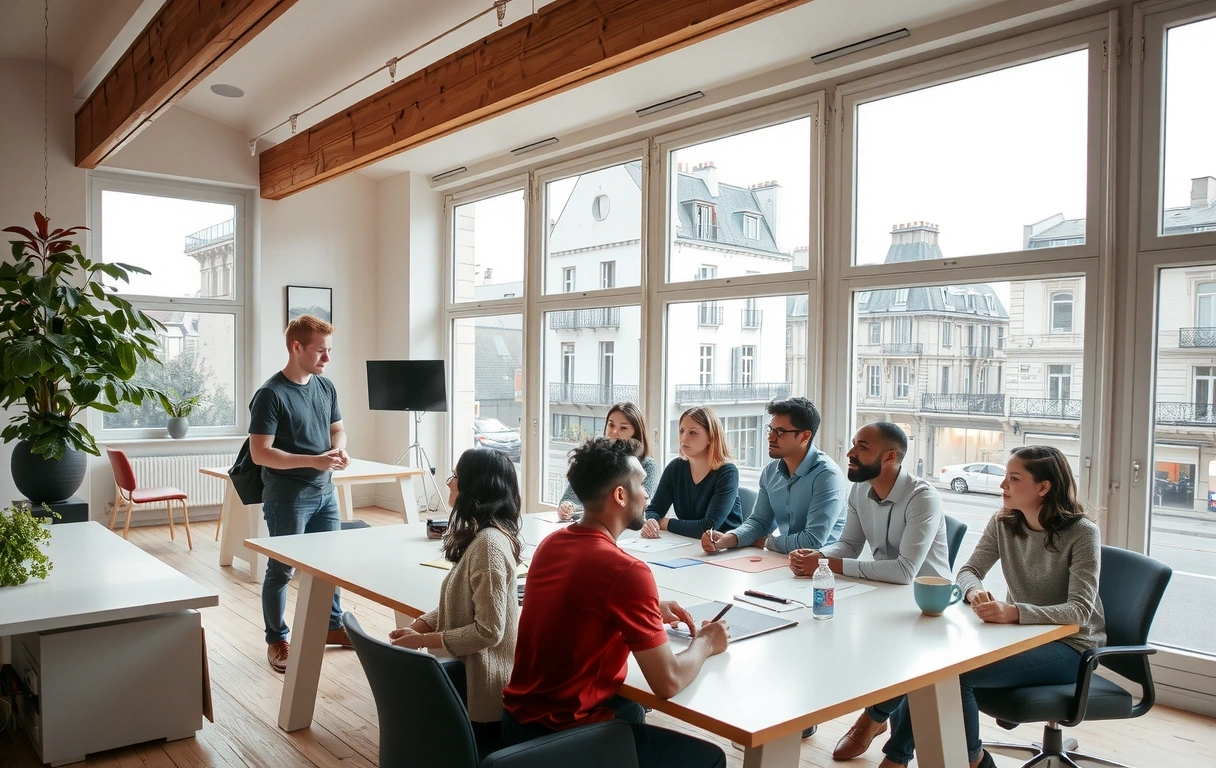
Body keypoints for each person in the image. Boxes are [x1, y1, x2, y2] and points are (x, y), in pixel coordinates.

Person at [502, 437, 730, 768]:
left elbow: (582, 607)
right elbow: (667, 682)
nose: (647, 493)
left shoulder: (551, 544)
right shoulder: (627, 571)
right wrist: (706, 643)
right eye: (641, 483)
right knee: (710, 758)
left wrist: (647, 608)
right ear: (620, 495)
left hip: (518, 723)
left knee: (631, 709)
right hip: (564, 739)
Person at [873, 446, 1106, 768]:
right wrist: (975, 592)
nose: (1002, 486)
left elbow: (1080, 610)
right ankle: (928, 757)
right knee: (928, 666)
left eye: (1013, 478)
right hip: (1018, 636)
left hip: (1071, 647)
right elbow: (968, 572)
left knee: (956, 677)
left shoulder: (1082, 533)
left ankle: (960, 760)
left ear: (1043, 487)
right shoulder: (1004, 523)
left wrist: (1015, 612)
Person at [786, 422, 950, 762]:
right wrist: (820, 558)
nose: (850, 453)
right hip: (881, 594)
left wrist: (832, 566)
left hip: (929, 606)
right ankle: (807, 712)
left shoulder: (923, 497)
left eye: (861, 447)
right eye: (853, 445)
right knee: (813, 625)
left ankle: (882, 731)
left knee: (913, 662)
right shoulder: (861, 490)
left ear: (889, 457)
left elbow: (906, 571)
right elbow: (849, 544)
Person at [389, 448, 522, 743]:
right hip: (466, 682)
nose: (449, 482)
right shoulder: (481, 536)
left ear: (475, 487)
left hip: (482, 698)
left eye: (456, 476)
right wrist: (419, 626)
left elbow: (488, 632)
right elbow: (460, 602)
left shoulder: (489, 546)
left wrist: (423, 641)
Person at [250, 314, 352, 674]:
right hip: (287, 497)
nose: (327, 359)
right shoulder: (270, 394)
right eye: (321, 351)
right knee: (282, 570)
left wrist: (338, 450)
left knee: (329, 565)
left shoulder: (326, 387)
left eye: (329, 351)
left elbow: (337, 429)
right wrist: (315, 460)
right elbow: (260, 453)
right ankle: (276, 639)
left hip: (325, 492)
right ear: (297, 348)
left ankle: (333, 625)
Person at [701, 397, 846, 555]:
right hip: (785, 559)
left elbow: (812, 541)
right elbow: (760, 523)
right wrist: (728, 539)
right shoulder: (770, 472)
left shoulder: (827, 476)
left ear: (805, 436)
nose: (770, 438)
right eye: (770, 430)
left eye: (780, 432)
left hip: (825, 566)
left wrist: (765, 542)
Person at [641, 406, 742, 540]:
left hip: (724, 549)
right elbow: (654, 509)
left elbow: (709, 527)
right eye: (682, 431)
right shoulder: (675, 467)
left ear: (711, 437)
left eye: (692, 433)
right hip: (688, 542)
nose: (684, 438)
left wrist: (666, 523)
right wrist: (652, 522)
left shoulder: (727, 472)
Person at [558, 402, 660, 519]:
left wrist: (581, 512)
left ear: (635, 432)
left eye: (623, 428)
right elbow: (569, 497)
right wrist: (568, 507)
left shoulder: (647, 465)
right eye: (611, 425)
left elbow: (640, 507)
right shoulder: (595, 457)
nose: (615, 432)